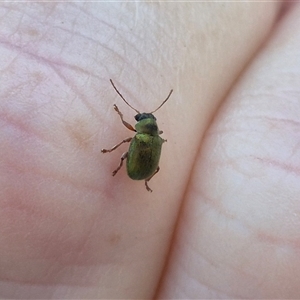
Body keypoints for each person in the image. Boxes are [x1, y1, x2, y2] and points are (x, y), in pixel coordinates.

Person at [1, 2, 298, 298]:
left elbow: (124, 141)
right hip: (143, 171)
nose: (142, 117)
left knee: (120, 149)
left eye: (142, 118)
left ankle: (123, 168)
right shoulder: (155, 140)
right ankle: (142, 179)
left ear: (143, 126)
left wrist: (118, 132)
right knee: (130, 156)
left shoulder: (142, 139)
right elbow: (150, 159)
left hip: (135, 166)